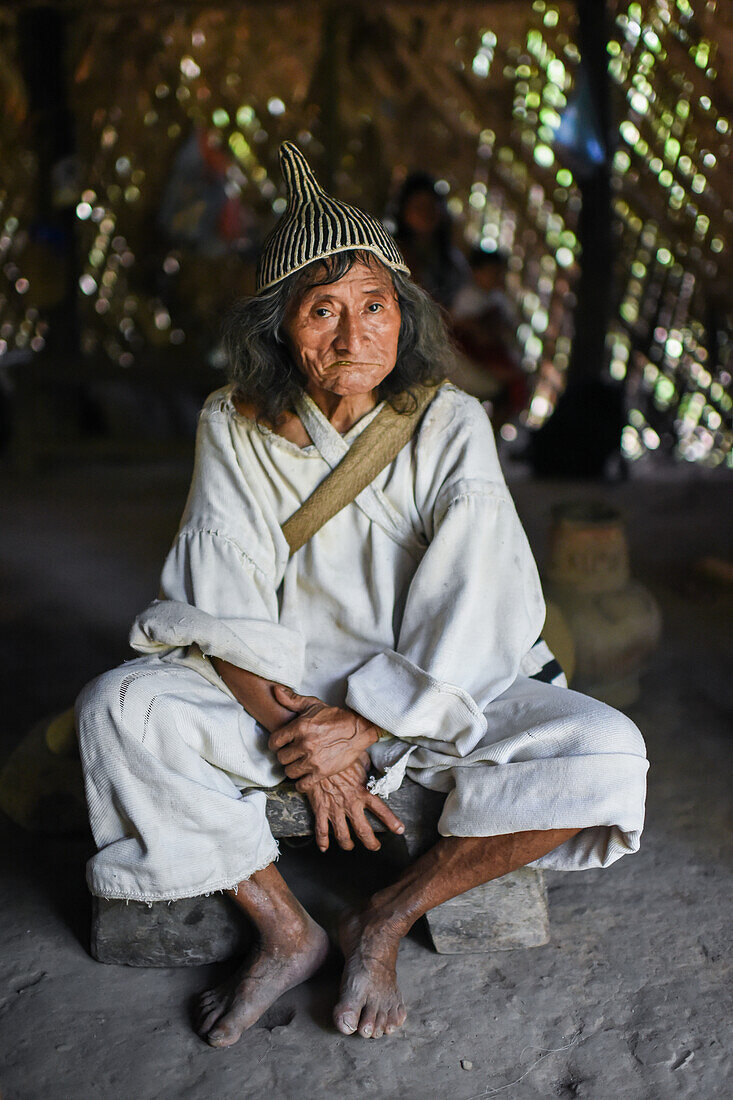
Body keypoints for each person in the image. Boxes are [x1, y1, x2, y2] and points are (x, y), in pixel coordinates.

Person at [76, 142, 648, 1049]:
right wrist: (311, 738)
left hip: (428, 699)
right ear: (278, 329)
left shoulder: (451, 421)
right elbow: (218, 607)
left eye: (374, 305)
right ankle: (286, 929)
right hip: (281, 703)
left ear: (403, 311)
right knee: (117, 709)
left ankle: (382, 916)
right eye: (323, 311)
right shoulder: (234, 422)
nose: (354, 336)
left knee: (608, 754)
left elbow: (479, 599)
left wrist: (371, 726)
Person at [449, 248, 530, 427]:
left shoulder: (498, 300)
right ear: (476, 271)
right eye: (492, 272)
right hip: (470, 358)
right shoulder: (468, 297)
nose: (497, 277)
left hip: (488, 358)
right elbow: (465, 333)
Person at [393, 171, 469, 309]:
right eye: (418, 207)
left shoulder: (453, 261)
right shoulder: (391, 254)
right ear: (403, 211)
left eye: (431, 206)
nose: (425, 213)